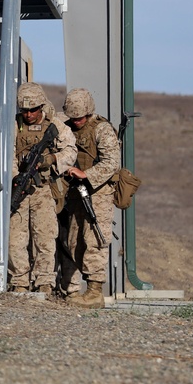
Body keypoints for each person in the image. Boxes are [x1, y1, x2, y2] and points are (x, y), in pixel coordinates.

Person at [9, 82, 77, 294]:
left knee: (45, 238)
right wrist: (14, 176)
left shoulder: (55, 125)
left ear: (41, 106)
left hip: (44, 189)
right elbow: (3, 152)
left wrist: (52, 159)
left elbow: (70, 151)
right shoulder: (13, 125)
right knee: (16, 239)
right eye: (24, 111)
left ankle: (44, 283)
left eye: (33, 110)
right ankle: (19, 282)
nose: (28, 114)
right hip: (20, 188)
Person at [59, 88, 120, 308]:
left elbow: (112, 162)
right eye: (73, 118)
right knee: (74, 241)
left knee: (94, 240)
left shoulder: (101, 129)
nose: (77, 122)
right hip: (75, 193)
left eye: (81, 118)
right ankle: (73, 289)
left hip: (99, 193)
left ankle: (94, 292)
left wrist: (87, 175)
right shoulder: (64, 129)